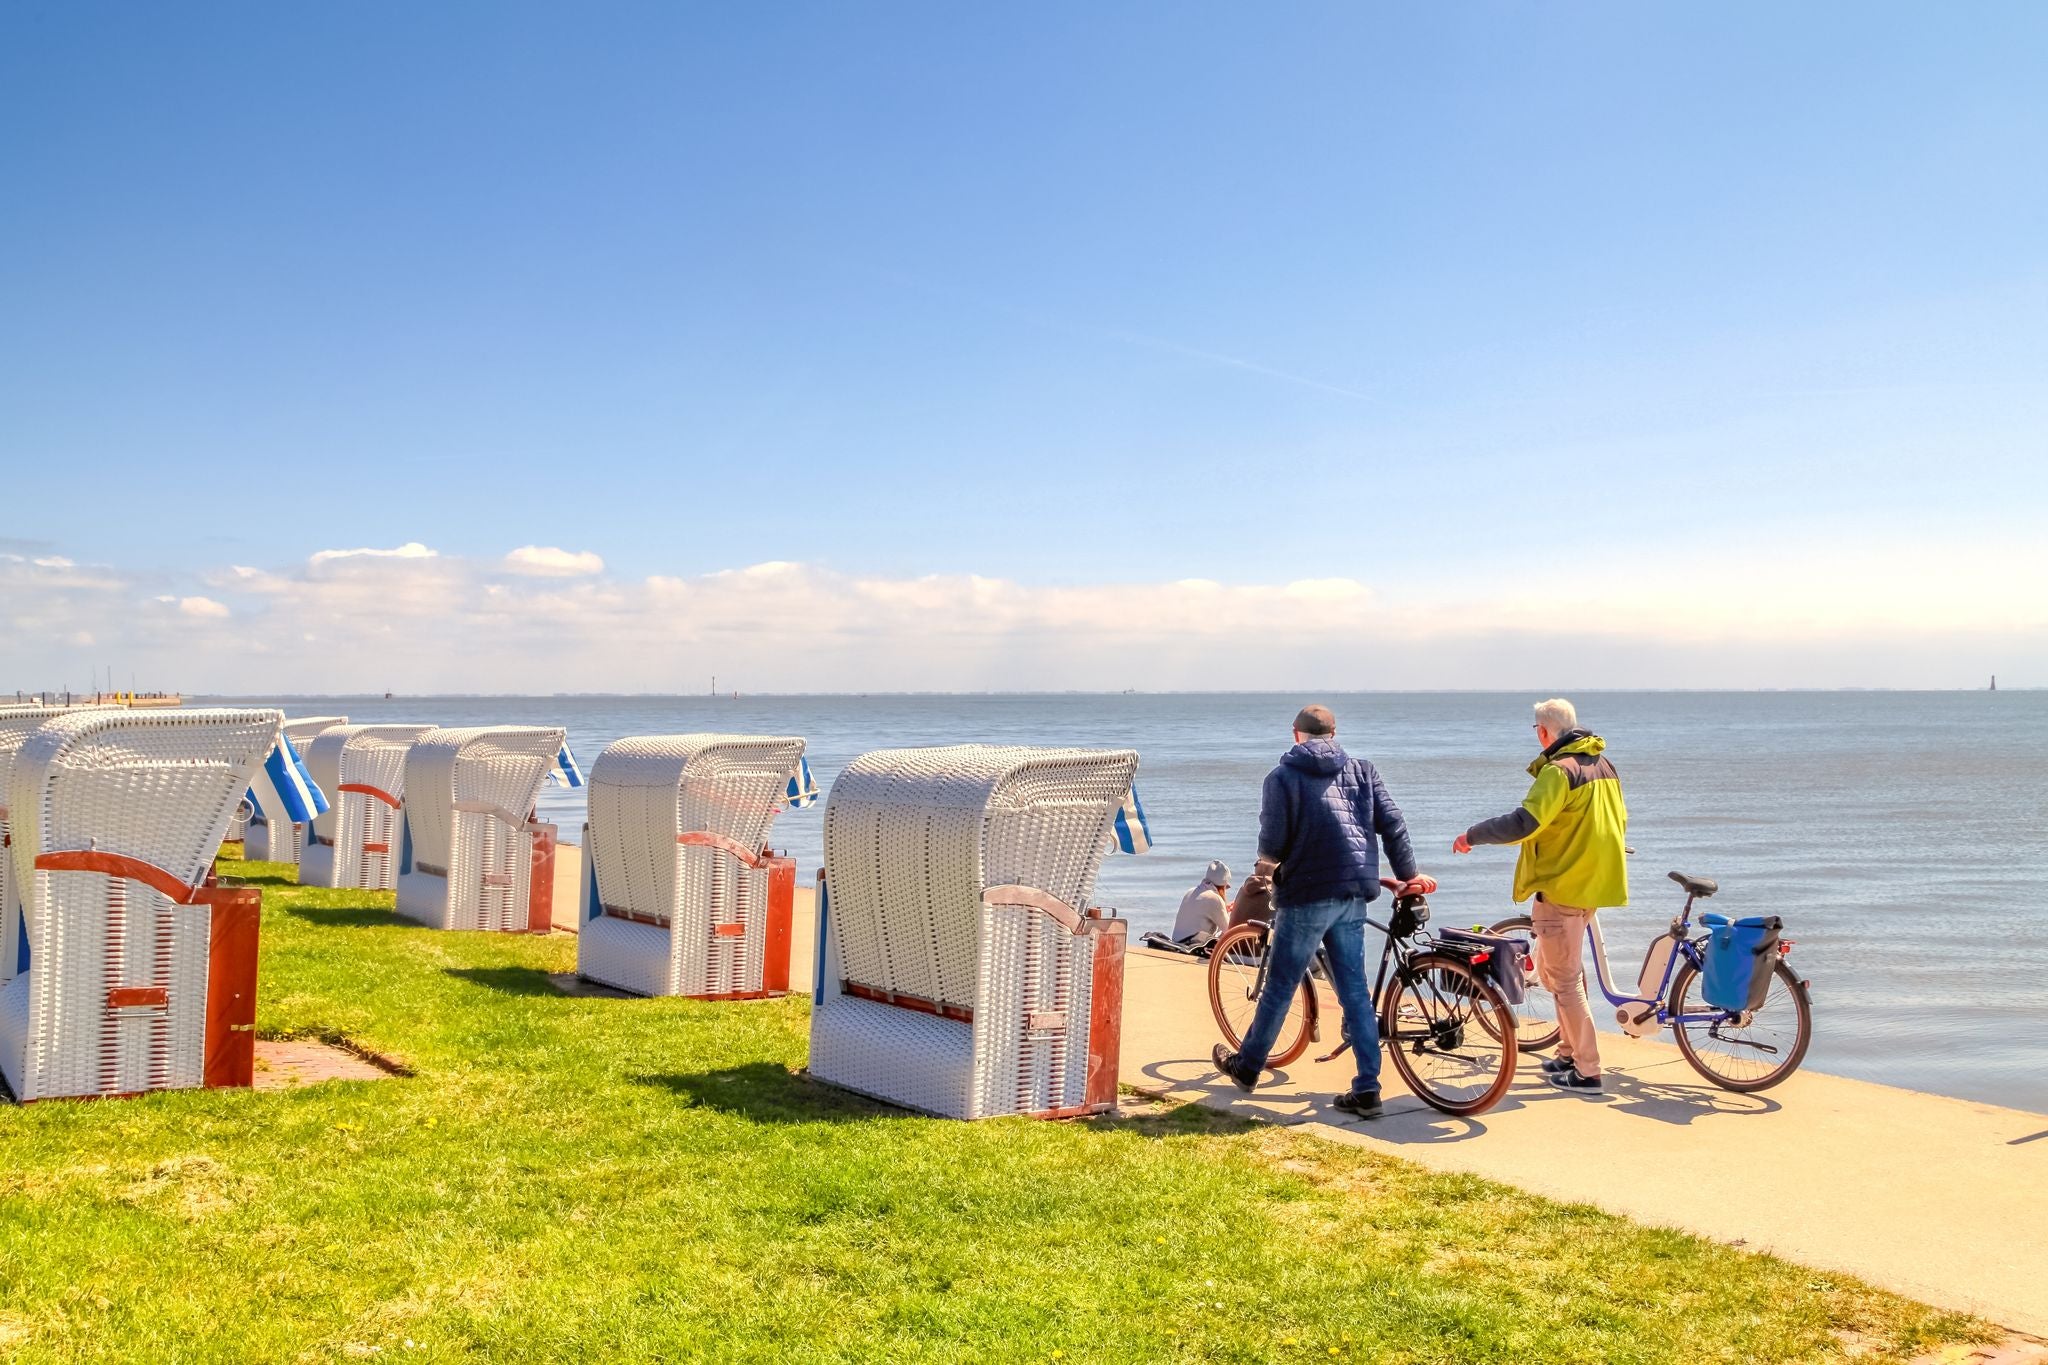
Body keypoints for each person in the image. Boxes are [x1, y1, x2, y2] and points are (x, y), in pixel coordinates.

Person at [1212, 704, 1433, 1120]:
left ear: (1295, 734)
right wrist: (1407, 875)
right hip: (1353, 893)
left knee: (1280, 985)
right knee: (1355, 991)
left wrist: (1263, 870)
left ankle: (1248, 1066)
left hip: (1307, 894)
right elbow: (1394, 823)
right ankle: (1367, 1088)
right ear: (1334, 733)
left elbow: (1273, 840)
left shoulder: (1281, 777)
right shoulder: (1362, 770)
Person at [1452, 697, 1628, 1094]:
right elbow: (1614, 819)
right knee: (1553, 972)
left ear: (1545, 731)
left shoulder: (1558, 771)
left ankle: (1588, 1070)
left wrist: (1472, 836)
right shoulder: (1603, 766)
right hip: (1592, 884)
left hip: (1562, 886)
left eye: (1536, 730)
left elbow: (1524, 822)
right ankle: (1567, 1052)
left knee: (1564, 981)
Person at [1170, 861, 1232, 947]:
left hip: (1176, 944)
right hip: (1192, 947)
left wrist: (1224, 908)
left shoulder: (1191, 891)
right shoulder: (1214, 898)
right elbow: (1229, 930)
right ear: (1222, 887)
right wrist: (1232, 913)